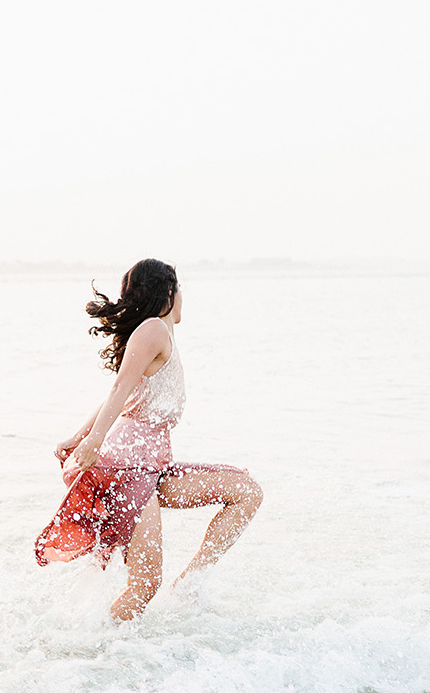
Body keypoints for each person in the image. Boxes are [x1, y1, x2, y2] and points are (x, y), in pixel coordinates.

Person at [35, 258, 263, 621]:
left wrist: (79, 436)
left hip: (153, 468)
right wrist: (91, 443)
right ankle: (103, 651)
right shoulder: (154, 328)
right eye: (180, 289)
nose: (183, 296)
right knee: (145, 584)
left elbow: (125, 396)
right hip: (126, 469)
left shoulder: (158, 335)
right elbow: (119, 388)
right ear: (168, 293)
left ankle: (189, 585)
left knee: (246, 491)